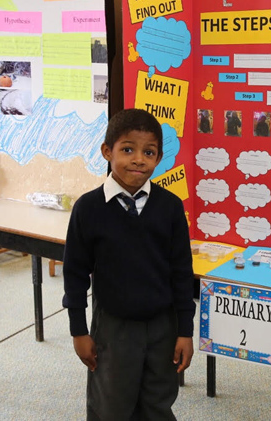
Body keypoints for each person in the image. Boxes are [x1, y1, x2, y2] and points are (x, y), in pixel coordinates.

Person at [62, 108, 195, 420]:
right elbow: (75, 273)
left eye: (149, 152)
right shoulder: (88, 209)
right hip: (113, 328)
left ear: (158, 157)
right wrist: (78, 330)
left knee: (158, 403)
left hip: (163, 326)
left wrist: (185, 331)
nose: (138, 160)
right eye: (127, 150)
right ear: (107, 151)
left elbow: (181, 272)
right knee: (111, 405)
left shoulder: (170, 207)